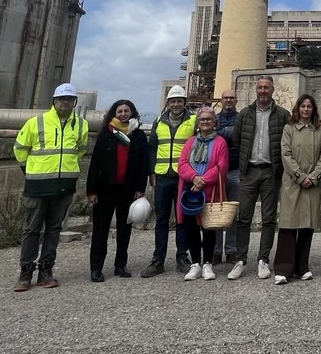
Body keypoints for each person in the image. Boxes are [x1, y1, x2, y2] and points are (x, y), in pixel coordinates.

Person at [11, 83, 89, 291]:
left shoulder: (81, 125)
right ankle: (25, 272)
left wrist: (66, 170)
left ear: (74, 102)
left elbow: (80, 150)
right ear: (54, 101)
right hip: (38, 185)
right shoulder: (36, 122)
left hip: (64, 186)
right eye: (62, 99)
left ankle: (46, 270)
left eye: (69, 99)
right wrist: (31, 171)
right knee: (32, 229)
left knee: (54, 229)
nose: (65, 103)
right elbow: (20, 150)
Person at [227, 75, 290, 281]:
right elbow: (237, 140)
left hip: (271, 172)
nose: (263, 91)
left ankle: (263, 259)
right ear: (256, 89)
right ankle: (240, 260)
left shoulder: (283, 115)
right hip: (249, 171)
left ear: (273, 90)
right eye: (260, 87)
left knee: (268, 219)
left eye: (266, 87)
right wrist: (246, 160)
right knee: (243, 218)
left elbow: (287, 142)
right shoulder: (245, 114)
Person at [85, 99, 149, 282]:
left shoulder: (138, 135)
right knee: (100, 229)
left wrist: (140, 188)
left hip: (128, 189)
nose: (123, 114)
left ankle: (120, 265)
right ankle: (96, 268)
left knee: (124, 228)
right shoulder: (106, 134)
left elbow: (143, 164)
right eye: (120, 111)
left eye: (126, 111)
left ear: (132, 113)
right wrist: (91, 190)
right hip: (105, 189)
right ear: (114, 113)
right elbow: (95, 163)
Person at [272, 94, 321, 285]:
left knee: (307, 224)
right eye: (303, 106)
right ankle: (283, 268)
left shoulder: (320, 131)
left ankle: (301, 267)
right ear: (298, 108)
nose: (306, 109)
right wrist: (300, 176)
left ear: (313, 110)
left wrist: (314, 176)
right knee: (288, 225)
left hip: (312, 183)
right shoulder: (289, 129)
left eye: (309, 106)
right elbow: (286, 154)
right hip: (293, 182)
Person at [141, 85, 196, 278]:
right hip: (162, 176)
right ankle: (158, 260)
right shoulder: (159, 121)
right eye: (173, 101)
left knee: (183, 218)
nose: (176, 104)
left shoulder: (193, 121)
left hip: (183, 177)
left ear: (184, 103)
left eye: (179, 101)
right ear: (168, 103)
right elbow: (152, 148)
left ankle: (182, 257)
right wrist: (151, 171)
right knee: (162, 219)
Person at [177, 107, 230, 281]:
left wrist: (203, 180)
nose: (205, 122)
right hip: (190, 190)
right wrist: (194, 177)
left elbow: (221, 167)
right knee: (191, 227)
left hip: (209, 191)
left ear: (215, 122)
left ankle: (207, 263)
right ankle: (195, 264)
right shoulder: (190, 142)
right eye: (202, 119)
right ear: (198, 123)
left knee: (208, 229)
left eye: (209, 119)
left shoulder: (220, 142)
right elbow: (182, 163)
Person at [213, 88, 240, 264]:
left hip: (236, 169)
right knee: (216, 210)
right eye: (226, 98)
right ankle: (216, 250)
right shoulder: (214, 118)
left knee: (233, 211)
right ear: (221, 100)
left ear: (236, 100)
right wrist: (229, 134)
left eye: (232, 98)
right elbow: (210, 135)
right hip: (216, 171)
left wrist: (220, 132)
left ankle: (231, 249)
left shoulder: (242, 118)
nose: (229, 100)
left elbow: (238, 137)